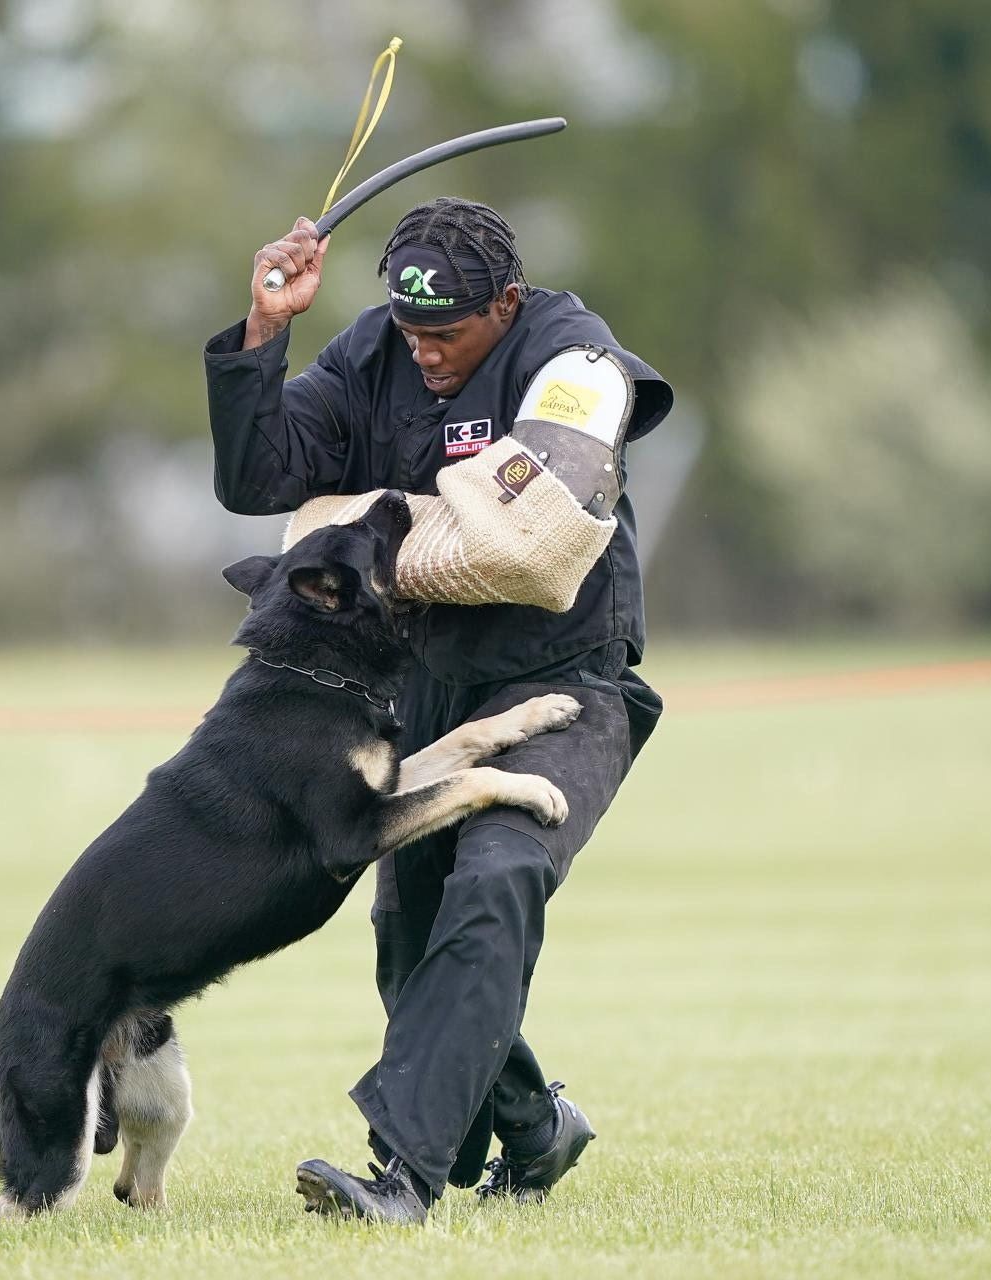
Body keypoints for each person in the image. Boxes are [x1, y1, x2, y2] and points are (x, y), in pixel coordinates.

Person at [204, 197, 673, 1223]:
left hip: (564, 679)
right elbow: (262, 478)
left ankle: (401, 1178)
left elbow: (527, 547)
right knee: (410, 930)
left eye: (445, 333)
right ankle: (537, 1128)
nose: (420, 351)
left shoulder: (573, 360)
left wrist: (346, 528)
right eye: (408, 328)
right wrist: (264, 333)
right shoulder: (377, 350)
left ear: (503, 303)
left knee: (499, 873)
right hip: (423, 688)